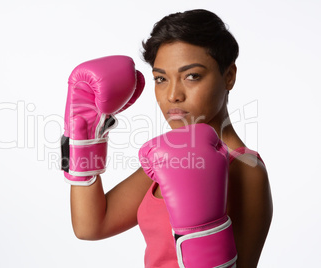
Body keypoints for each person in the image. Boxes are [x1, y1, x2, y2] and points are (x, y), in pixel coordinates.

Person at [67, 9, 273, 268]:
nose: (173, 95)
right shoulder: (169, 157)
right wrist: (84, 138)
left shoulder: (246, 168)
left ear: (229, 76)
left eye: (192, 76)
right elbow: (91, 226)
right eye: (161, 79)